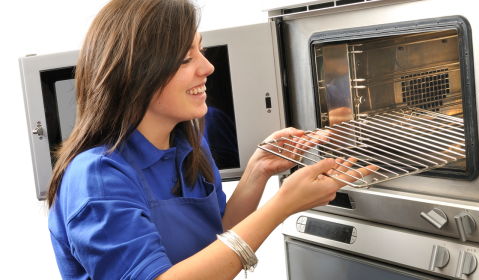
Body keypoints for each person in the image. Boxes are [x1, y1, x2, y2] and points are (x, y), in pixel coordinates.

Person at [47, 0, 377, 279]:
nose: (207, 67)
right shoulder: (98, 178)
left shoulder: (187, 141)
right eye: (185, 58)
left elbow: (217, 238)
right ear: (133, 72)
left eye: (200, 51)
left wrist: (257, 172)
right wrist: (282, 206)